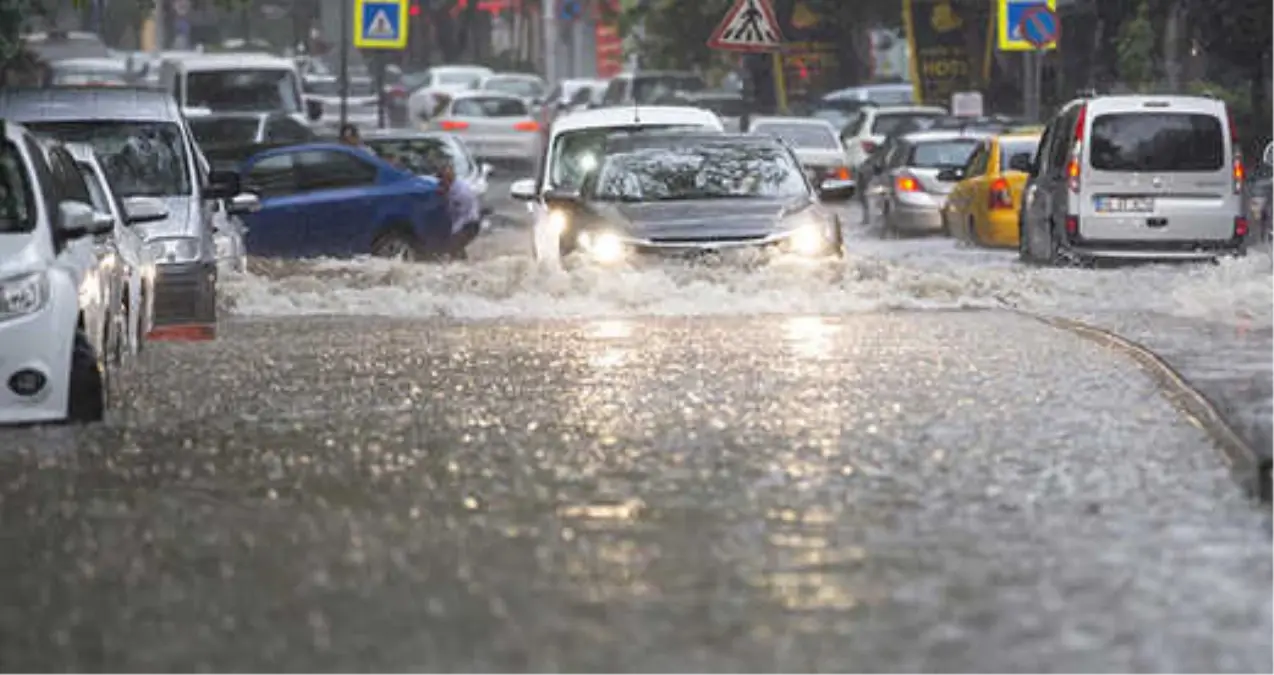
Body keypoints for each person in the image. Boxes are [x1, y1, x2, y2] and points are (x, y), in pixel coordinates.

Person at [435, 158, 482, 260]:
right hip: (463, 221)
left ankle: (462, 266)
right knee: (455, 247)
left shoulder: (461, 193)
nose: (441, 184)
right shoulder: (449, 187)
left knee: (453, 247)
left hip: (469, 224)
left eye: (443, 181)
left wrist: (454, 233)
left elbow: (463, 218)